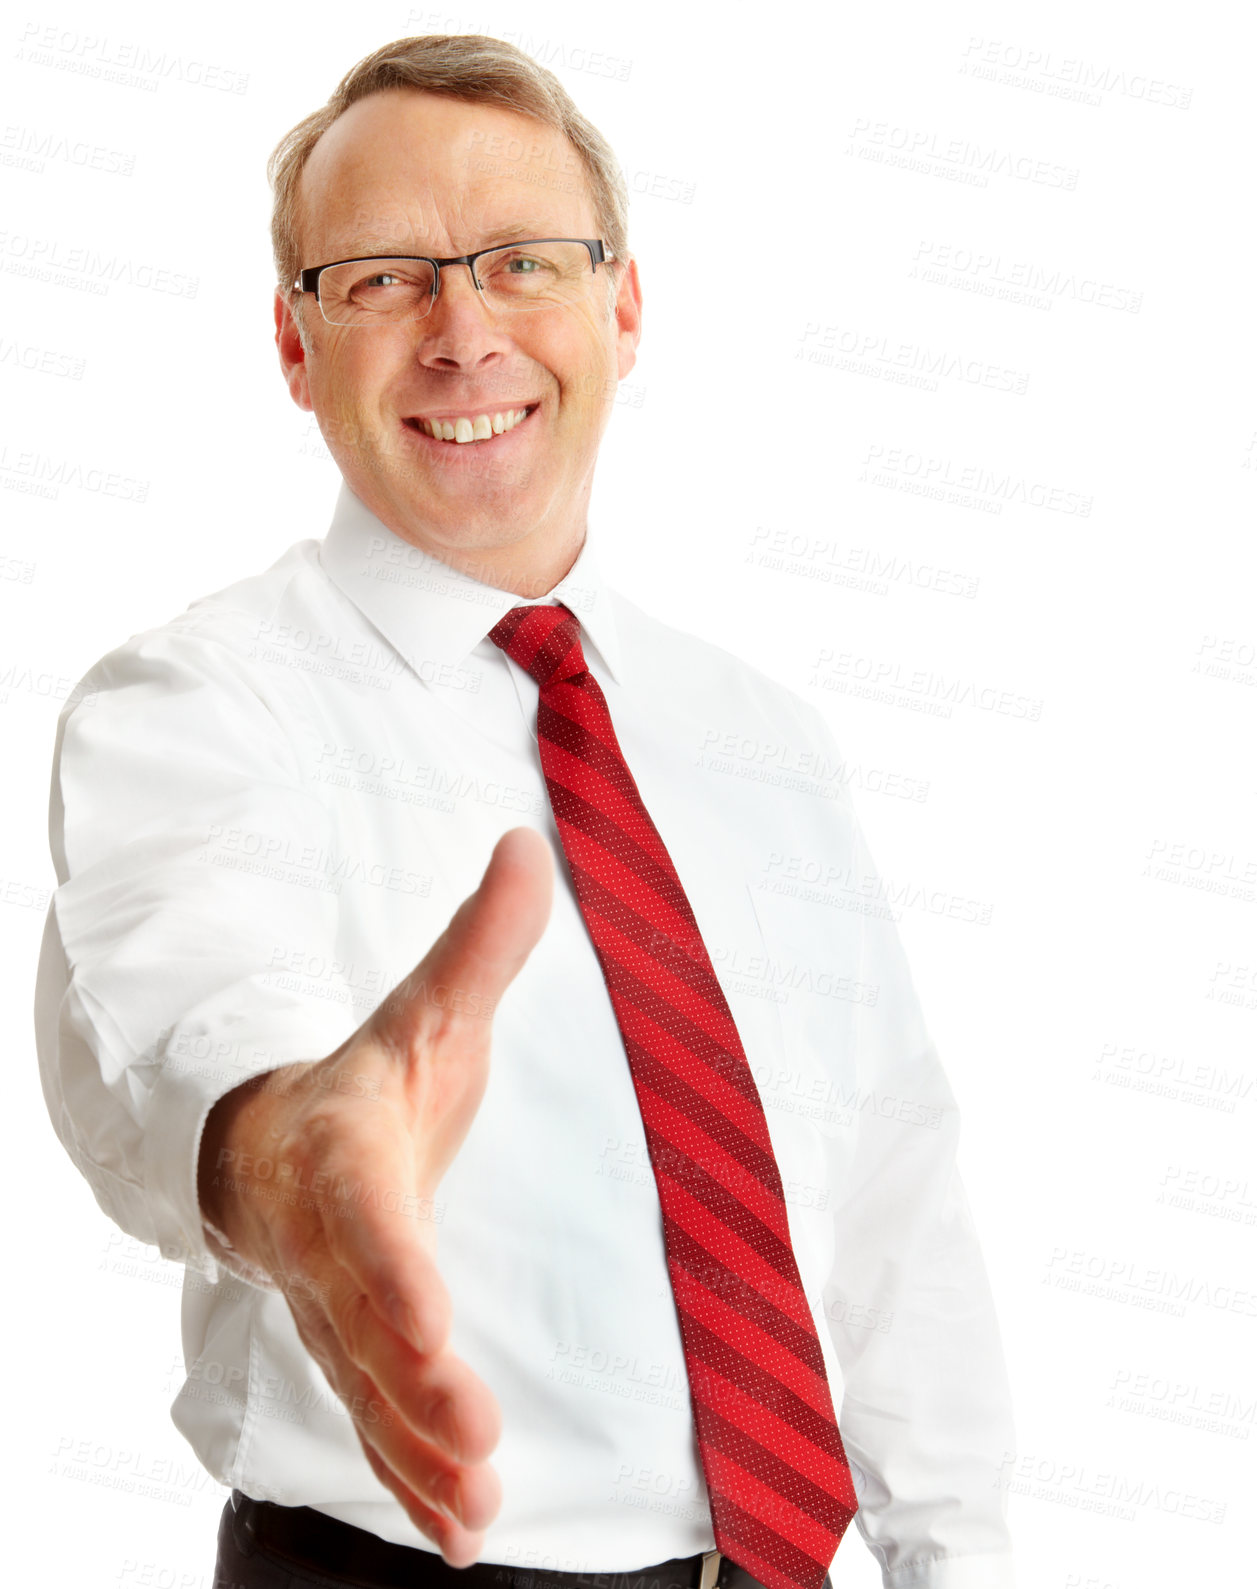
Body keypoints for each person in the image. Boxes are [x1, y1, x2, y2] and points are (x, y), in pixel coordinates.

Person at [34, 33, 1017, 1589]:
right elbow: (192, 1004)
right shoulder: (195, 709)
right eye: (378, 280)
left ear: (621, 310)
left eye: (523, 263)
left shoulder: (764, 742)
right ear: (294, 351)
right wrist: (288, 1155)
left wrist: (957, 1561)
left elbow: (892, 1198)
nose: (463, 332)